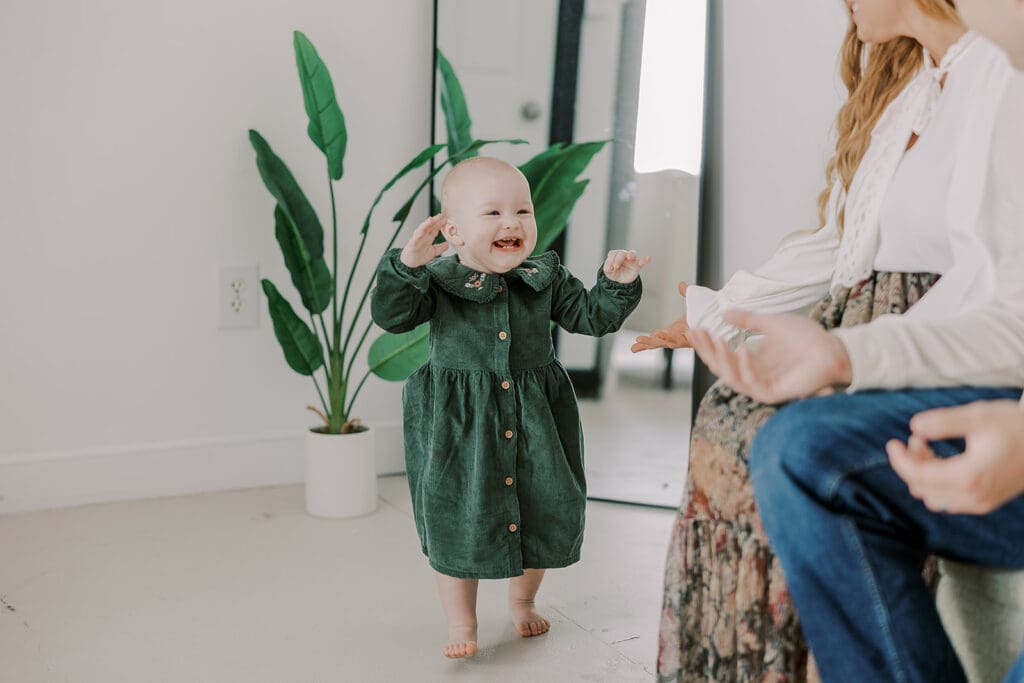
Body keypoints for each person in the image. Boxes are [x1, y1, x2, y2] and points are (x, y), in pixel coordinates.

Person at [631, 1, 1018, 680]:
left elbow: (991, 295)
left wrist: (847, 358)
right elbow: (838, 244)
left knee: (781, 441)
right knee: (727, 417)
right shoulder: (914, 86)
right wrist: (720, 312)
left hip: (934, 341)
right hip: (881, 328)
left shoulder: (998, 75)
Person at [370, 156, 649, 658]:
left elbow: (590, 318)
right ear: (453, 232)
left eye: (522, 211)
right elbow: (392, 316)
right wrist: (406, 265)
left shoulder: (545, 277)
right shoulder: (436, 280)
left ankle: (523, 601)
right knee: (458, 511)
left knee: (540, 502)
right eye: (493, 213)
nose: (512, 223)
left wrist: (618, 284)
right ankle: (462, 621)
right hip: (460, 425)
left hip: (535, 415)